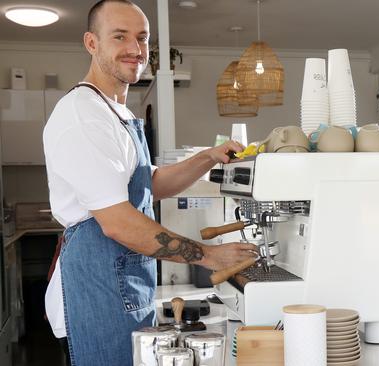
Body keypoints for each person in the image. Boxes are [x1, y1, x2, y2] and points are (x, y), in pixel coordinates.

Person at [42, 1, 257, 364]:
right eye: (120, 36)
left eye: (142, 38)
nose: (135, 48)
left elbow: (150, 184)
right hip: (96, 296)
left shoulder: (117, 112)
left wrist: (208, 157)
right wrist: (209, 255)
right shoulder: (84, 115)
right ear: (91, 43)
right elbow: (118, 223)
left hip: (123, 289)